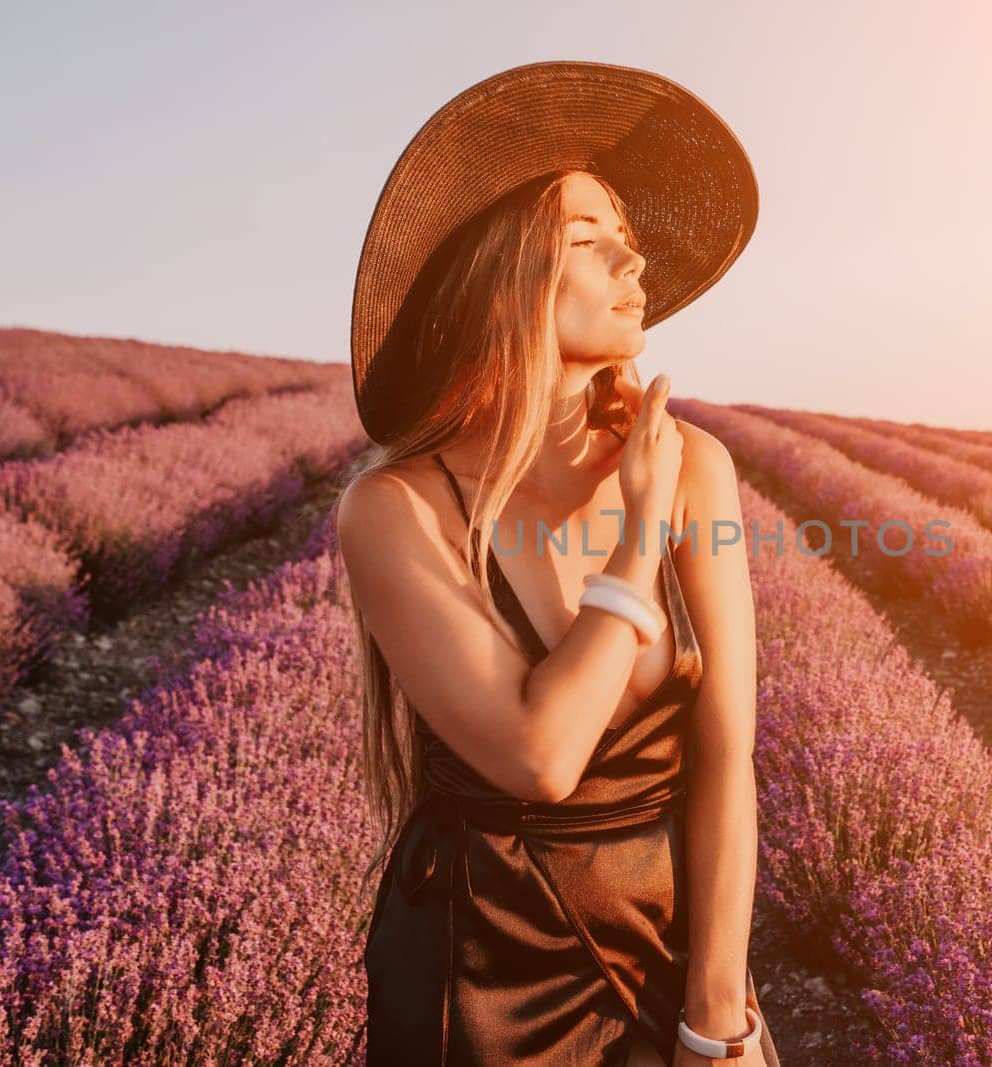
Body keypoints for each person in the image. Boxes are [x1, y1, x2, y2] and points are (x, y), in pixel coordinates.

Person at [333, 61, 780, 1066]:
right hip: (482, 966)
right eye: (591, 241)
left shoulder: (696, 466)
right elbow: (540, 754)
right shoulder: (395, 507)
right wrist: (637, 533)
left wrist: (718, 1012)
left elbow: (723, 756)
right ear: (505, 274)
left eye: (628, 242)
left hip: (671, 940)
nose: (634, 265)